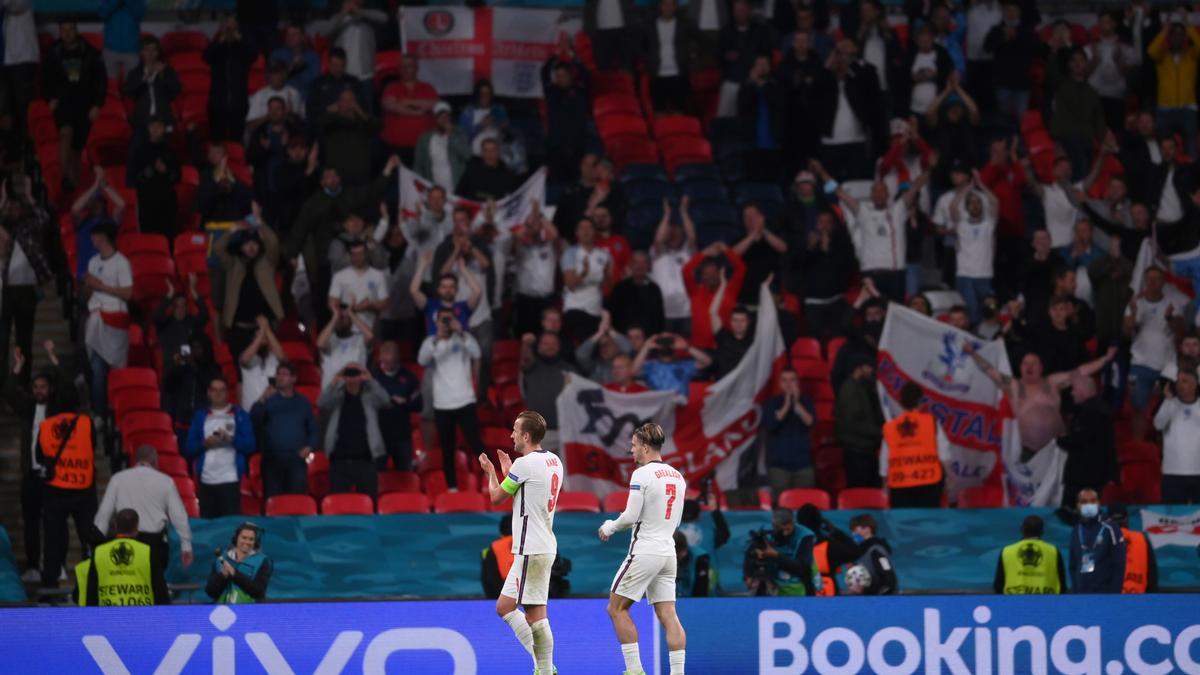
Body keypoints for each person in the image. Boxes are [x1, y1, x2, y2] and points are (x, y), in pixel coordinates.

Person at [597, 423, 687, 675]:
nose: (631, 450)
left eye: (634, 445)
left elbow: (630, 516)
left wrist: (609, 527)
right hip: (668, 551)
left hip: (645, 551)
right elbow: (677, 520)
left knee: (616, 608)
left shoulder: (642, 475)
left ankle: (634, 670)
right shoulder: (678, 477)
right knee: (669, 614)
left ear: (646, 447)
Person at [478, 411, 564, 675]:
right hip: (540, 544)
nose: (511, 435)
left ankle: (545, 670)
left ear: (526, 436)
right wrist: (509, 471)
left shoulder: (524, 465)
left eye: (515, 430)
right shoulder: (554, 460)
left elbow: (496, 498)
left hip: (531, 548)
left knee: (536, 616)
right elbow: (528, 492)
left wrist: (491, 472)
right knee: (504, 607)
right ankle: (544, 667)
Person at [5, 341, 74, 582]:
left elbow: (68, 386)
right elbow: (11, 392)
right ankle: (33, 566)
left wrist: (53, 356)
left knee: (56, 524)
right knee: (31, 522)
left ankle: (59, 566)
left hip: (54, 476)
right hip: (31, 476)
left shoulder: (57, 409)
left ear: (49, 389)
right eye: (35, 387)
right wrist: (18, 367)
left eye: (43, 387)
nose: (39, 391)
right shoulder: (28, 408)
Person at [818, 157, 932, 302]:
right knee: (872, 313)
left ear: (888, 194)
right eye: (875, 191)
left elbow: (916, 186)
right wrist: (821, 172)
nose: (878, 194)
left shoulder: (898, 211)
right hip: (870, 274)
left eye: (882, 191)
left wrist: (930, 168)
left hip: (895, 273)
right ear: (870, 196)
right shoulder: (863, 212)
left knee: (894, 314)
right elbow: (838, 191)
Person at [93, 446, 193, 604]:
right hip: (153, 544)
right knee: (155, 589)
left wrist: (96, 545)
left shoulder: (118, 479)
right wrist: (186, 545)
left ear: (135, 460)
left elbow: (104, 513)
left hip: (122, 541)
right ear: (155, 461)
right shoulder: (165, 481)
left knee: (123, 585)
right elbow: (179, 516)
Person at [419, 308, 486, 491]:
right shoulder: (431, 342)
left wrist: (461, 332)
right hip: (442, 404)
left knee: (475, 443)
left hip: (465, 400)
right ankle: (452, 488)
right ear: (437, 322)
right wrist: (437, 338)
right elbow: (422, 360)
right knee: (447, 450)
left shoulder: (464, 338)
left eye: (449, 319)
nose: (446, 323)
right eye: (443, 320)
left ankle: (493, 480)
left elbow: (476, 353)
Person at [37, 401, 97, 588]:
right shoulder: (87, 423)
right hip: (83, 488)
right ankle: (91, 586)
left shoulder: (46, 426)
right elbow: (92, 448)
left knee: (53, 541)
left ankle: (50, 586)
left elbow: (39, 456)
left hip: (55, 489)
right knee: (88, 540)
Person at [43, 20, 107, 190]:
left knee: (77, 149)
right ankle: (64, 177)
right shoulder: (53, 52)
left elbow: (100, 82)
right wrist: (50, 98)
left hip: (84, 103)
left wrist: (97, 105)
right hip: (63, 102)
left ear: (76, 30)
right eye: (63, 30)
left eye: (70, 29)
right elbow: (45, 79)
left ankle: (74, 186)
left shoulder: (91, 53)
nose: (67, 33)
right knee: (66, 132)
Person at [183, 375, 256, 518]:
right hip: (206, 480)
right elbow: (189, 448)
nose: (218, 394)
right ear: (208, 392)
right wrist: (205, 444)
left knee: (230, 527)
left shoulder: (240, 415)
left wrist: (231, 440)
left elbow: (251, 445)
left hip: (230, 480)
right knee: (208, 527)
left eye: (222, 390)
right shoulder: (200, 416)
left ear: (228, 392)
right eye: (214, 390)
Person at [217, 217, 284, 364]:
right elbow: (218, 248)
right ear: (241, 247)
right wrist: (232, 230)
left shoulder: (268, 262)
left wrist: (261, 224)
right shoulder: (233, 264)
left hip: (263, 326)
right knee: (240, 365)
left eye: (254, 243)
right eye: (247, 244)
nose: (251, 247)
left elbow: (273, 243)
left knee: (270, 364)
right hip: (239, 327)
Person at [82, 221, 132, 418]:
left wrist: (100, 286)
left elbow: (128, 293)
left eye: (94, 236)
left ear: (102, 237)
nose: (92, 240)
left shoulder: (122, 263)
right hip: (96, 318)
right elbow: (88, 293)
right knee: (96, 369)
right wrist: (87, 285)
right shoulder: (93, 262)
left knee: (116, 370)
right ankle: (99, 414)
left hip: (115, 320)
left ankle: (119, 413)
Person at [318, 363, 389, 499]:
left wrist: (371, 381)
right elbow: (321, 402)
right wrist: (334, 381)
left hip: (366, 459)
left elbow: (385, 400)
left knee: (369, 503)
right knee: (339, 504)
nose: (351, 378)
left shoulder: (369, 396)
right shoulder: (337, 396)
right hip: (339, 460)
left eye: (355, 374)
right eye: (348, 375)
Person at [251, 362, 318, 498]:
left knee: (295, 502)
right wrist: (263, 398)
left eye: (284, 374)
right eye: (278, 374)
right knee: (273, 502)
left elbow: (313, 429)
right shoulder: (269, 400)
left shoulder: (303, 402)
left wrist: (310, 446)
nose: (280, 377)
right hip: (272, 460)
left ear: (293, 378)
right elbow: (254, 418)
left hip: (296, 460)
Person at [880, 382, 950, 508]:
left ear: (901, 402)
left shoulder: (890, 427)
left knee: (903, 524)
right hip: (929, 482)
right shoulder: (931, 422)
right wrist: (950, 476)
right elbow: (944, 453)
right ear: (920, 401)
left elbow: (885, 458)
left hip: (899, 482)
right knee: (927, 523)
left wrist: (885, 483)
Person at [75, 509, 161, 606]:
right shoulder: (148, 551)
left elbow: (92, 591)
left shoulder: (99, 552)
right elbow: (159, 590)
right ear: (137, 526)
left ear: (115, 526)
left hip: (108, 616)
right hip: (141, 616)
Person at [1056, 373, 1117, 508]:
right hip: (1095, 477)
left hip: (1084, 480)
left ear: (1083, 390)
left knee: (1074, 517)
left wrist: (1058, 439)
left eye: (1074, 389)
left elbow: (1079, 440)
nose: (1072, 393)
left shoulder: (1090, 412)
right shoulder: (1100, 409)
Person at [683, 241, 745, 350]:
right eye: (707, 274)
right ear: (702, 277)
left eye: (713, 273)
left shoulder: (729, 290)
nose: (711, 276)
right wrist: (704, 253)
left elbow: (741, 268)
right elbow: (685, 271)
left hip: (725, 346)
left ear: (720, 273)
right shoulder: (695, 291)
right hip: (700, 347)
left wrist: (726, 251)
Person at [203, 15, 256, 143]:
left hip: (239, 102)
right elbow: (206, 57)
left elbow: (253, 56)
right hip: (217, 102)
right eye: (227, 27)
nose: (230, 31)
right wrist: (220, 41)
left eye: (233, 27)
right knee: (216, 140)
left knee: (236, 140)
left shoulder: (243, 46)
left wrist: (240, 40)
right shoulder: (217, 46)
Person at [834, 354, 884, 488]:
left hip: (865, 450)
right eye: (868, 367)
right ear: (859, 368)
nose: (871, 370)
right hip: (856, 452)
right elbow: (853, 424)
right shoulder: (850, 390)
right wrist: (879, 432)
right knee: (860, 494)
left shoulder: (861, 387)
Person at [764, 368, 815, 497]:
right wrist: (786, 406)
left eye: (792, 380)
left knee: (805, 503)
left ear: (797, 383)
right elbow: (770, 425)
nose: (788, 384)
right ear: (780, 383)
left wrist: (797, 404)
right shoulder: (772, 403)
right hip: (779, 466)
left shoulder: (806, 402)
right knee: (781, 506)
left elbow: (810, 422)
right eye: (784, 380)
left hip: (803, 464)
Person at [561, 218, 613, 344]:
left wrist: (606, 274)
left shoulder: (605, 255)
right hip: (576, 308)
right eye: (582, 228)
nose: (586, 231)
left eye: (589, 228)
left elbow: (607, 285)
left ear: (594, 231)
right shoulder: (570, 253)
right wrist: (583, 273)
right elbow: (570, 285)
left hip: (595, 308)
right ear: (576, 233)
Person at [372, 342, 421, 472]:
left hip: (402, 435)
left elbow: (419, 404)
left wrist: (405, 402)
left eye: (389, 363)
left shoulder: (409, 377)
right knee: (376, 474)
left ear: (397, 360)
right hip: (379, 435)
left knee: (406, 473)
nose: (386, 366)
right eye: (384, 362)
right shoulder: (374, 377)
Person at [749, 508, 821, 597]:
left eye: (788, 529)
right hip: (773, 584)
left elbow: (802, 567)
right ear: (774, 525)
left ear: (793, 523)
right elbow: (750, 555)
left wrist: (776, 555)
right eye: (782, 529)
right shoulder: (765, 533)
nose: (786, 533)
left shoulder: (806, 536)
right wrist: (758, 554)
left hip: (800, 584)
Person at [1153, 369, 1200, 504]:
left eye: (1184, 381)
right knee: (1173, 517)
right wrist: (1168, 400)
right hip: (1173, 473)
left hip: (1198, 472)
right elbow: (1158, 424)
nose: (1180, 385)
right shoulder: (1169, 404)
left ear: (1195, 384)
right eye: (1178, 381)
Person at [1069, 488, 1125, 594]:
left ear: (1099, 504)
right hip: (1081, 594)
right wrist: (1075, 592)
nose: (1089, 505)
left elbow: (1119, 565)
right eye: (1084, 502)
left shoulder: (1110, 528)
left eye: (1092, 501)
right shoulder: (1076, 530)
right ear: (1078, 505)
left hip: (1104, 594)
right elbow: (1073, 565)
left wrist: (1115, 596)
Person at [993, 515, 1066, 594]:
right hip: (1048, 602)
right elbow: (1062, 584)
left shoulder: (1007, 551)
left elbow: (998, 585)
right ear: (1042, 531)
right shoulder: (1053, 551)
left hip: (1014, 602)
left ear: (1022, 529)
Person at [207, 522, 272, 604]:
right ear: (236, 538)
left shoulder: (263, 561)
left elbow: (258, 592)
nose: (247, 542)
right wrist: (222, 576)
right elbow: (210, 592)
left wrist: (234, 573)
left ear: (256, 542)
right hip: (223, 612)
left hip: (250, 612)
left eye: (251, 539)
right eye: (244, 538)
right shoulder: (221, 559)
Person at [324, 0, 387, 83]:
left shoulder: (367, 18)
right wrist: (343, 13)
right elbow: (326, 30)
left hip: (365, 75)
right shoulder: (339, 19)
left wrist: (359, 11)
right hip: (342, 74)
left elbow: (384, 17)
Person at [414, 101, 471, 192]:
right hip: (434, 190)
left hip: (456, 188)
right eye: (441, 117)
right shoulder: (425, 139)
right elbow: (419, 165)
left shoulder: (459, 134)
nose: (444, 120)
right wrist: (421, 186)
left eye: (447, 117)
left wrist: (451, 136)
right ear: (435, 119)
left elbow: (467, 155)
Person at [633, 332, 713, 397]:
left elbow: (707, 362)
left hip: (679, 410)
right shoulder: (650, 365)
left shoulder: (684, 365)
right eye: (663, 341)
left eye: (669, 341)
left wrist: (687, 347)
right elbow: (633, 371)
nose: (666, 344)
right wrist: (646, 348)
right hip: (658, 410)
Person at [239, 315, 285, 409]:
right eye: (258, 337)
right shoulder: (248, 357)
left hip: (272, 410)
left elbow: (282, 358)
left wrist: (267, 329)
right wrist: (262, 331)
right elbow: (244, 360)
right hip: (250, 410)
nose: (261, 340)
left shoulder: (274, 358)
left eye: (265, 337)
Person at [849, 514, 898, 595]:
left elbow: (889, 578)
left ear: (867, 529)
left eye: (855, 530)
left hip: (877, 599)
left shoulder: (876, 550)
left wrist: (879, 597)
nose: (853, 534)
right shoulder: (861, 551)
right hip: (867, 597)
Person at [481, 517, 514, 600]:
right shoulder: (534, 547)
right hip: (533, 599)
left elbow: (488, 582)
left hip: (500, 600)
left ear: (500, 532)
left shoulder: (489, 551)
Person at [674, 531, 714, 597]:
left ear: (683, 551)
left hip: (693, 600)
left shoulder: (700, 558)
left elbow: (701, 590)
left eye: (677, 556)